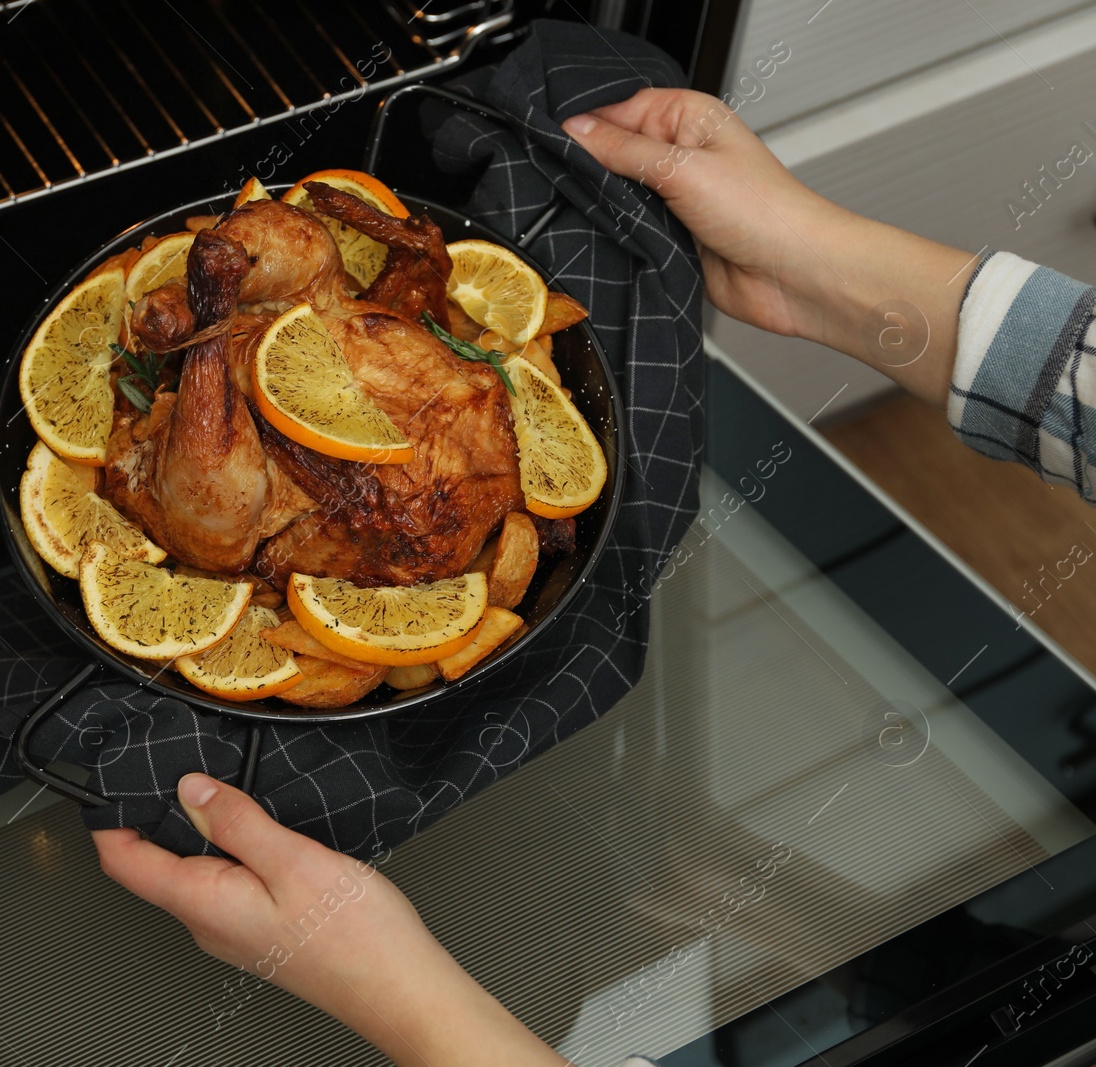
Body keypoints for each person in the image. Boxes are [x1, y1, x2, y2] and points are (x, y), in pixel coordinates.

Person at [94, 86, 1096, 1066]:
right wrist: (822, 265)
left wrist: (402, 996)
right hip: (405, 390)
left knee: (218, 517)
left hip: (367, 495)